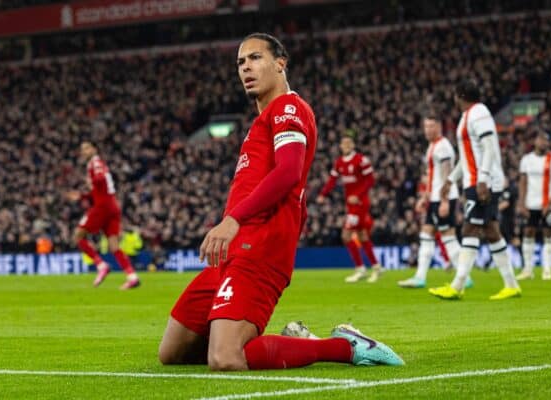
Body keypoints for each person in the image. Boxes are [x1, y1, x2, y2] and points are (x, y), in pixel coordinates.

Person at [157, 33, 403, 371]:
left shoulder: (288, 107)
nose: (246, 67)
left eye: (255, 58)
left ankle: (344, 347)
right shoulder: (262, 121)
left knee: (226, 359)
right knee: (172, 353)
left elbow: (289, 171)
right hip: (232, 252)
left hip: (258, 248)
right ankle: (278, 344)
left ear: (280, 63)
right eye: (240, 62)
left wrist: (233, 220)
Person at [429, 79, 521, 300]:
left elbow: (489, 148)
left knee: (470, 229)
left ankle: (458, 285)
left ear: (460, 96)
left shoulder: (479, 113)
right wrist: (451, 180)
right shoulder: (469, 116)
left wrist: (483, 179)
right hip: (475, 178)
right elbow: (469, 156)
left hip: (482, 181)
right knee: (490, 230)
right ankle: (511, 284)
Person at [399, 112, 467, 288]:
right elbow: (432, 177)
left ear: (439, 126)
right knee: (426, 234)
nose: (427, 130)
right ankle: (420, 277)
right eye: (425, 126)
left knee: (448, 237)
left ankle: (464, 276)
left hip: (443, 198)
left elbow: (446, 175)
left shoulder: (443, 146)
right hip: (435, 198)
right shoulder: (432, 146)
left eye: (431, 126)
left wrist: (444, 201)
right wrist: (424, 197)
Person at [67, 141, 140, 290]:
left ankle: (101, 265)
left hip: (103, 206)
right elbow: (99, 189)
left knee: (78, 236)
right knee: (113, 246)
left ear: (94, 149)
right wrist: (82, 196)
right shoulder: (96, 163)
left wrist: (91, 181)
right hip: (112, 205)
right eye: (82, 149)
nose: (84, 151)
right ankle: (132, 276)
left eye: (87, 148)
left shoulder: (95, 162)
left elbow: (99, 179)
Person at [317, 132, 383, 283]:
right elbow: (332, 180)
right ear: (340, 146)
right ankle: (376, 267)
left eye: (348, 143)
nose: (346, 146)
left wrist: (358, 195)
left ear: (353, 145)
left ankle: (361, 268)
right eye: (343, 144)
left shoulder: (361, 160)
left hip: (360, 203)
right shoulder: (339, 162)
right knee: (362, 235)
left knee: (346, 235)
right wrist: (322, 194)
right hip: (350, 204)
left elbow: (370, 180)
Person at [516, 131, 551, 280]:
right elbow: (523, 182)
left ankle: (547, 270)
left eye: (546, 140)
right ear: (535, 141)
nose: (543, 143)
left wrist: (550, 204)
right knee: (528, 233)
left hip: (548, 204)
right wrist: (522, 203)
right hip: (531, 204)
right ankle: (527, 270)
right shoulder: (526, 160)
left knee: (548, 234)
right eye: (541, 139)